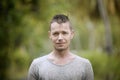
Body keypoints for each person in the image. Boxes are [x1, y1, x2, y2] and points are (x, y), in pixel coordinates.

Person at [28, 14, 94, 80]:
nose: (60, 38)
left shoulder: (84, 65)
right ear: (50, 35)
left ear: (72, 34)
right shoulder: (37, 65)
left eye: (64, 33)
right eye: (55, 33)